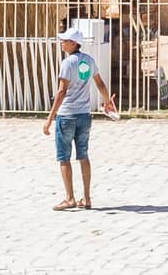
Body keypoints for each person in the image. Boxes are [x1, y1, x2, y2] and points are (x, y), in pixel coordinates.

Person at [46, 26, 100, 210]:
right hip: (84, 115)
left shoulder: (67, 63)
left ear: (74, 43)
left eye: (65, 40)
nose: (62, 42)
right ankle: (86, 198)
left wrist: (49, 118)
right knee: (83, 156)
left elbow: (61, 91)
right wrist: (108, 102)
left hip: (67, 115)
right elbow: (99, 83)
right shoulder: (88, 61)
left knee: (64, 157)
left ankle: (69, 197)